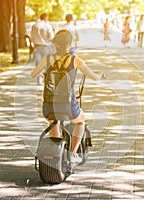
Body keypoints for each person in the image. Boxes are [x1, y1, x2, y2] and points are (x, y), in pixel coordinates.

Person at [31, 30, 105, 164]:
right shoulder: (75, 60)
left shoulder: (47, 59)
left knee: (53, 121)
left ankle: (56, 149)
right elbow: (94, 77)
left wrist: (44, 74)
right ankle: (72, 153)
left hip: (48, 106)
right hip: (68, 106)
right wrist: (100, 75)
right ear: (70, 44)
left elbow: (33, 74)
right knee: (81, 120)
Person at [30, 13, 55, 84]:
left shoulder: (34, 26)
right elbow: (51, 37)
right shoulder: (47, 25)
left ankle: (39, 81)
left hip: (37, 46)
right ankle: (48, 80)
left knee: (38, 64)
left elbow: (31, 37)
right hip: (46, 46)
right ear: (46, 18)